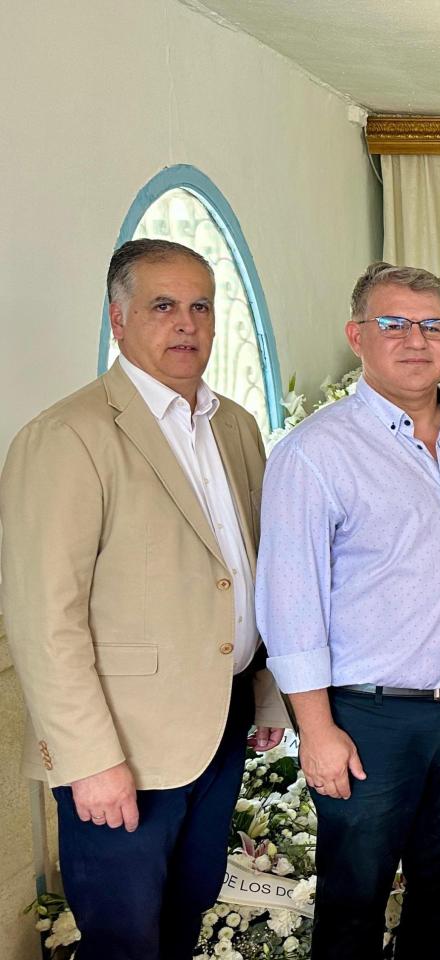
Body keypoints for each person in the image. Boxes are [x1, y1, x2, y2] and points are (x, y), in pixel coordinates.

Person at [1, 238, 287, 959]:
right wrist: (87, 758)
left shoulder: (235, 427)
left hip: (218, 723)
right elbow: (44, 620)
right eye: (163, 306)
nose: (186, 323)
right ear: (119, 316)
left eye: (199, 306)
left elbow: (251, 570)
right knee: (125, 938)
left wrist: (269, 699)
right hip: (120, 749)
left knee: (185, 912)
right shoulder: (69, 435)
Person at [256, 262, 440, 959]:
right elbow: (290, 604)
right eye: (394, 323)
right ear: (357, 335)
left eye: (432, 325)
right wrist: (315, 732)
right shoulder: (315, 453)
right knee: (354, 900)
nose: (416, 339)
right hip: (369, 717)